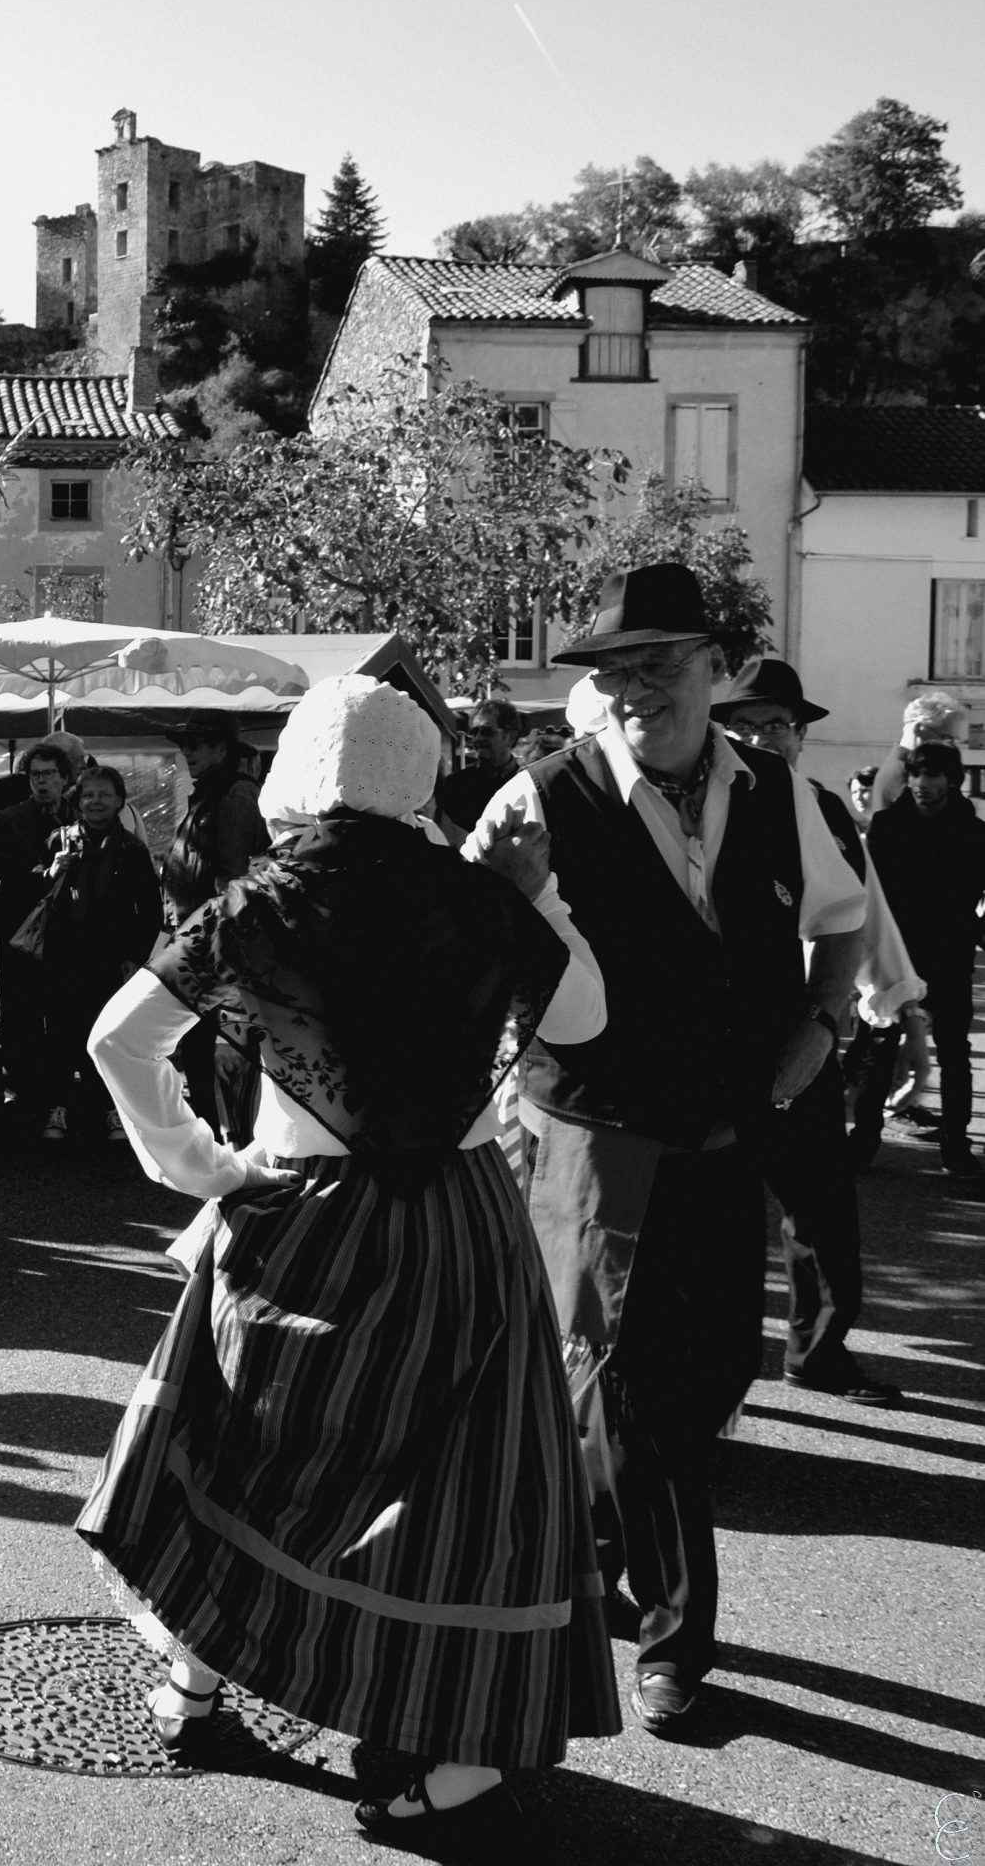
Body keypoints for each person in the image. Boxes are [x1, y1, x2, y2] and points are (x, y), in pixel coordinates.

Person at [77, 674, 620, 1838]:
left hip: (304, 1217)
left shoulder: (259, 901)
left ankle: (194, 1686)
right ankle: (462, 1757)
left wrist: (199, 1166)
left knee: (244, 1451)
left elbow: (118, 1038)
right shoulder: (479, 898)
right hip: (462, 1224)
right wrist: (539, 895)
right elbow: (579, 1024)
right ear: (414, 774)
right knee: (467, 1490)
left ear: (296, 773)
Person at [468, 564, 865, 1735]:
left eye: (659, 664)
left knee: (712, 1374)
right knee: (634, 1387)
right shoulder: (542, 796)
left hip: (727, 1127)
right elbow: (476, 944)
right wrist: (505, 903)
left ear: (712, 669)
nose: (636, 690)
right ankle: (672, 1640)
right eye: (614, 672)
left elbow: (838, 921)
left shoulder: (783, 792)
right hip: (598, 1133)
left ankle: (591, 1538)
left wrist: (822, 1025)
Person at [711, 658, 912, 1406]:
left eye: (779, 726)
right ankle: (710, 1371)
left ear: (798, 738)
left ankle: (817, 1351)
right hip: (708, 1036)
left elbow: (862, 915)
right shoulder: (693, 804)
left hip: (802, 1027)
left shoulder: (824, 811)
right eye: (747, 724)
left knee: (820, 1206)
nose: (764, 738)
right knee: (711, 1212)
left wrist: (882, 1000)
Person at [849, 741, 985, 1177]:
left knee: (953, 1051)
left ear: (952, 780)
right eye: (915, 775)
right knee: (880, 1047)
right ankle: (864, 1139)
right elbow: (869, 895)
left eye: (933, 776)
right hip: (896, 954)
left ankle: (955, 1143)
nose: (922, 785)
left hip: (951, 956)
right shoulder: (887, 827)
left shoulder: (975, 832)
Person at [40, 766, 160, 1144]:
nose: (96, 801)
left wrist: (134, 958)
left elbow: (151, 912)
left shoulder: (132, 849)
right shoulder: (58, 840)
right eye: (89, 794)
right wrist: (50, 872)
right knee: (60, 1034)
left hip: (112, 958)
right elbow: (35, 892)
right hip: (63, 956)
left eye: (105, 794)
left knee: (109, 1035)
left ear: (121, 801)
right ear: (77, 800)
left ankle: (114, 1111)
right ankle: (56, 1108)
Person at [162, 713, 269, 1134]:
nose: (187, 751)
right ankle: (214, 1135)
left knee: (223, 1052)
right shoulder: (208, 792)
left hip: (218, 945)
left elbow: (233, 878)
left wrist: (223, 950)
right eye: (185, 744)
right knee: (200, 1049)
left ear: (222, 749)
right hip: (197, 940)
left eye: (198, 743)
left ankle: (229, 1142)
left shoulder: (236, 794)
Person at [0, 742, 73, 1120]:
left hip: (67, 933)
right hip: (18, 931)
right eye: (35, 775)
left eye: (49, 774)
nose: (42, 782)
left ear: (64, 778)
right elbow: (9, 872)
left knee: (61, 1013)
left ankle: (61, 1097)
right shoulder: (9, 818)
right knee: (21, 1017)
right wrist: (47, 872)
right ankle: (26, 1098)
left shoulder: (81, 814)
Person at [436, 697, 523, 845]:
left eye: (486, 732)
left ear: (509, 737)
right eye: (474, 732)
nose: (477, 739)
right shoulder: (455, 784)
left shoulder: (525, 783)